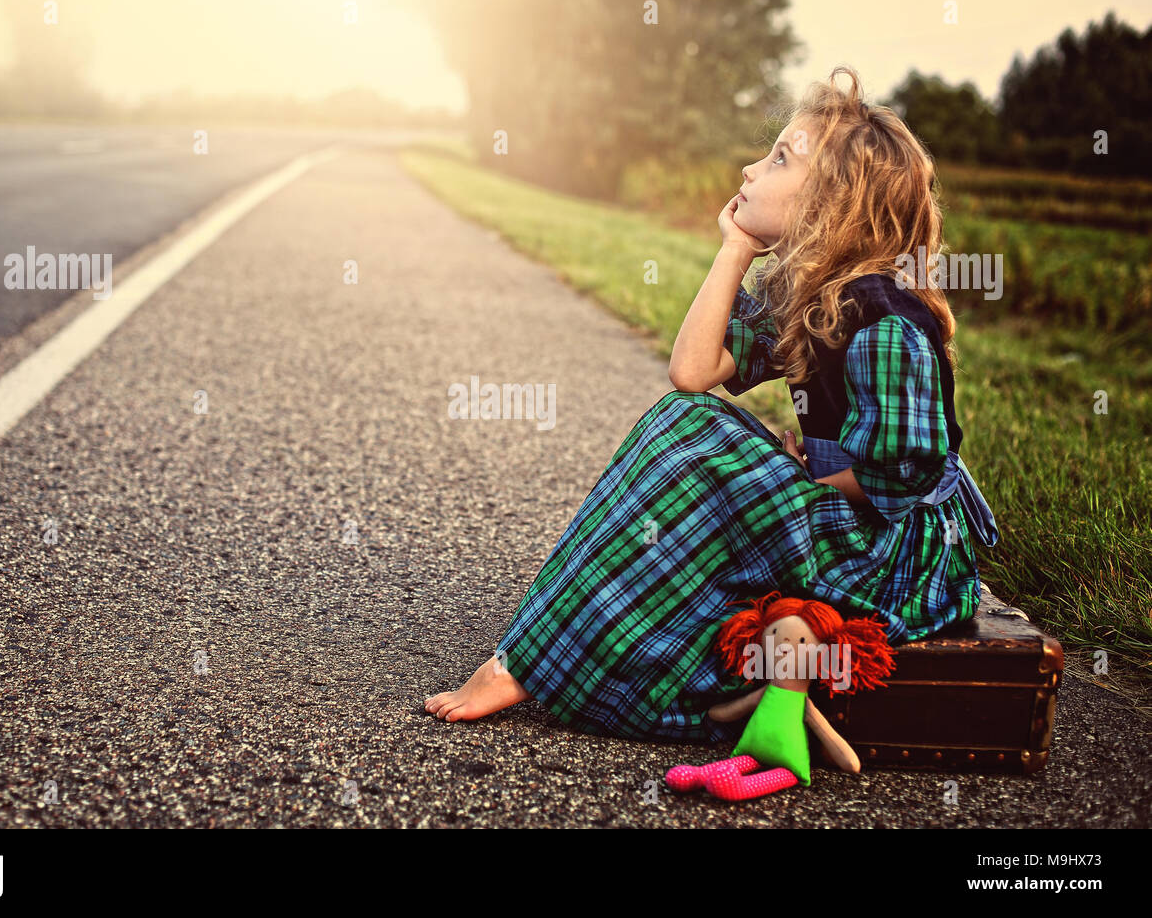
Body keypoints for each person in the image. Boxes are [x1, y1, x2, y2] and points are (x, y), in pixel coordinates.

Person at [424, 66, 1000, 744]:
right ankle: (683, 688)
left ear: (831, 201)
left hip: (894, 556)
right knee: (684, 424)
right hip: (849, 523)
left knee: (694, 450)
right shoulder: (805, 296)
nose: (753, 168)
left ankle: (526, 662)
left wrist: (805, 475)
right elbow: (693, 372)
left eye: (782, 158)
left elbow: (906, 472)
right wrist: (737, 246)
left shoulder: (885, 320)